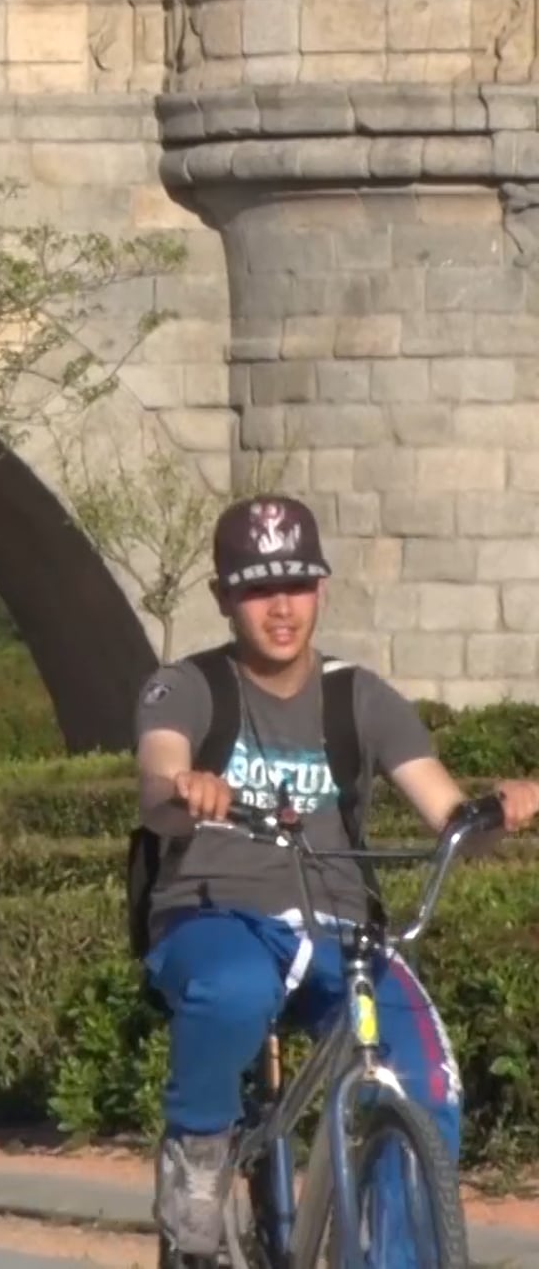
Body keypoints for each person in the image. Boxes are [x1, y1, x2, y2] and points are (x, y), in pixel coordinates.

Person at [135, 494, 539, 1259]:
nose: (281, 608)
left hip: (341, 930)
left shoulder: (359, 695)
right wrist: (186, 788)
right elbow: (158, 783)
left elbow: (447, 812)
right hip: (218, 916)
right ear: (222, 598)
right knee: (232, 991)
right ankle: (198, 1160)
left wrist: (499, 812)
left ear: (320, 587)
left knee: (425, 1083)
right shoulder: (186, 686)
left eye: (296, 585)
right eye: (257, 589)